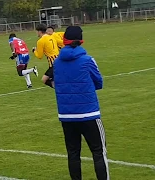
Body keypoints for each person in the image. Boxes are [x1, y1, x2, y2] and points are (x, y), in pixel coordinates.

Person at [50, 26, 109, 180]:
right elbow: (99, 82)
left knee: (73, 153)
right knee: (98, 151)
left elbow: (55, 82)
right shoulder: (87, 60)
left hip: (66, 115)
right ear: (81, 40)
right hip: (89, 113)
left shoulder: (57, 62)